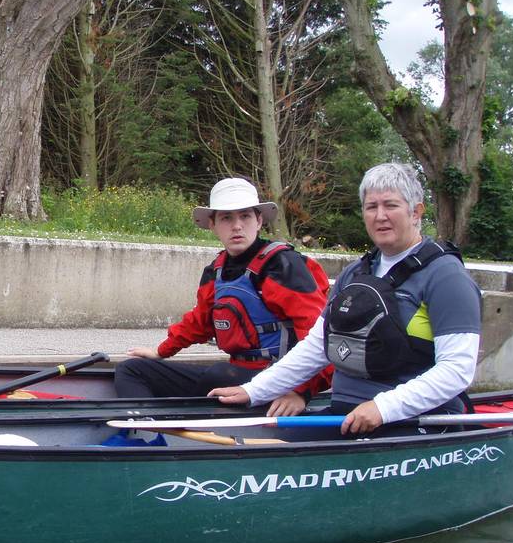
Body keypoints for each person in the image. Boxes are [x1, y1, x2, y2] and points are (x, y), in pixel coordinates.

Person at [210, 162, 482, 435]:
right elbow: (317, 347)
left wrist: (382, 408)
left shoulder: (447, 277)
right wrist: (254, 390)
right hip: (345, 412)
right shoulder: (355, 273)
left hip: (411, 419)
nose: (380, 216)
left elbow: (457, 369)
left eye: (391, 205)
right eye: (371, 207)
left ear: (416, 211)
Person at [114, 177, 332, 415]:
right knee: (131, 369)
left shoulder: (282, 266)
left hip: (277, 381)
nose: (237, 226)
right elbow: (199, 322)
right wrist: (162, 351)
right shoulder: (215, 271)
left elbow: (321, 339)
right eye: (227, 218)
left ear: (259, 221)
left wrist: (301, 392)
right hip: (234, 375)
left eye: (245, 216)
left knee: (219, 374)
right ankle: (147, 433)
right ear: (213, 225)